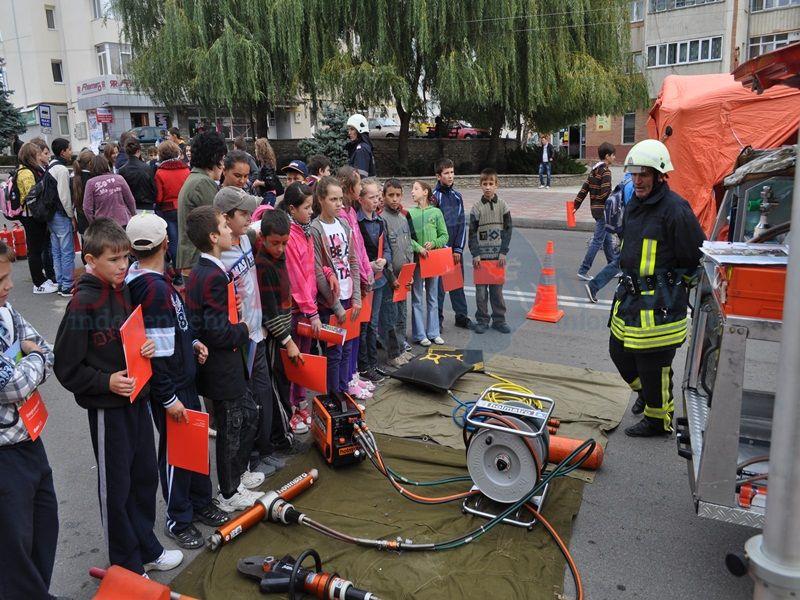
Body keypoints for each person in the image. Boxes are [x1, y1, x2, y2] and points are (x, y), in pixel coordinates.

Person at [54, 218, 183, 574]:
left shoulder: (123, 290)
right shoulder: (82, 304)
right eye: (114, 259)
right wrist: (105, 382)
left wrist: (144, 348)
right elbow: (66, 368)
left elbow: (127, 338)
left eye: (126, 257)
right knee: (117, 488)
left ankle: (147, 548)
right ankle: (126, 564)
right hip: (108, 410)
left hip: (137, 401)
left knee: (144, 477)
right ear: (90, 260)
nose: (123, 265)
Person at [124, 213, 229, 550]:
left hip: (182, 378)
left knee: (194, 446)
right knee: (177, 454)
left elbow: (173, 330)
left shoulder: (156, 280)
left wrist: (192, 341)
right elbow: (157, 353)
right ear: (165, 244)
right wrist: (168, 398)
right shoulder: (153, 288)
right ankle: (178, 517)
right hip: (172, 387)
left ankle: (200, 501)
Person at [608, 140, 705, 437]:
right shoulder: (635, 204)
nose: (637, 181)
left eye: (644, 175)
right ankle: (647, 395)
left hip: (660, 305)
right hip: (630, 300)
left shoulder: (676, 210)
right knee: (619, 353)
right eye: (634, 174)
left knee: (654, 367)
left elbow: (693, 257)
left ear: (660, 175)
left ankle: (658, 420)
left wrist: (672, 286)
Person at [184, 205, 260, 511]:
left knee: (248, 415)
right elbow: (217, 332)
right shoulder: (211, 275)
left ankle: (238, 475)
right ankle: (229, 492)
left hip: (224, 366)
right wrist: (243, 328)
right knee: (232, 426)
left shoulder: (207, 270)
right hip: (221, 367)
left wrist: (233, 309)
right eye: (224, 226)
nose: (231, 230)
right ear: (214, 237)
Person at [0, 240, 59, 599]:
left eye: (8, 276)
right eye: (1, 279)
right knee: (14, 547)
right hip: (5, 454)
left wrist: (31, 357)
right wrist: (33, 358)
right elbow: (11, 386)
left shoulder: (7, 312)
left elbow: (46, 348)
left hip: (29, 438)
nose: (9, 285)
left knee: (44, 527)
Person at [214, 186, 282, 479]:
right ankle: (250, 458)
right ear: (225, 218)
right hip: (241, 340)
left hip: (257, 331)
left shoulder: (246, 237)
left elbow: (269, 219)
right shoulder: (219, 253)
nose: (248, 218)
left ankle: (264, 450)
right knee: (248, 402)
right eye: (243, 213)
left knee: (263, 394)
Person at [278, 182, 330, 434]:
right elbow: (296, 278)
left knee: (305, 358)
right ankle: (290, 408)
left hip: (308, 307)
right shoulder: (289, 236)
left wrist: (327, 272)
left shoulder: (306, 231)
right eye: (307, 208)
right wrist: (312, 311)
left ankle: (300, 402)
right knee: (294, 359)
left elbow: (311, 266)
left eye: (311, 207)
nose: (311, 212)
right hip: (296, 309)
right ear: (292, 209)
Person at [310, 176, 361, 400]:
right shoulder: (315, 229)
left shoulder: (344, 224)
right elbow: (318, 272)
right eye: (333, 199)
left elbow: (353, 261)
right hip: (331, 302)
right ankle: (334, 396)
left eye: (340, 199)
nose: (339, 204)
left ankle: (343, 390)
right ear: (321, 199)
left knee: (348, 347)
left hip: (349, 295)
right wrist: (336, 305)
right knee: (334, 351)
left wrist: (357, 297)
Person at [254, 209, 301, 451]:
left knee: (284, 383)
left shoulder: (277, 258)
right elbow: (269, 312)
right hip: (275, 337)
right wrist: (287, 340)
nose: (280, 249)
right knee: (276, 386)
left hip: (284, 331)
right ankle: (281, 436)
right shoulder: (263, 265)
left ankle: (283, 430)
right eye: (275, 243)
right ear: (262, 238)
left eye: (284, 243)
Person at [337, 166, 374, 399]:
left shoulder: (351, 211)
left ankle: (353, 374)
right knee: (348, 335)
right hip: (350, 282)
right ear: (350, 187)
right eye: (359, 184)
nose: (361, 188)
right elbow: (350, 253)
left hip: (359, 278)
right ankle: (346, 380)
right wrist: (361, 274)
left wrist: (367, 270)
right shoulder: (343, 215)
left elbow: (360, 246)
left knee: (355, 332)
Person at [357, 177, 398, 380]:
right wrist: (369, 265)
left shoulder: (380, 221)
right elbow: (356, 253)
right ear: (361, 199)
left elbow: (387, 247)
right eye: (371, 197)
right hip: (365, 281)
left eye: (377, 197)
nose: (376, 201)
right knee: (364, 325)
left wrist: (385, 260)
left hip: (379, 279)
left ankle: (373, 363)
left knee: (373, 323)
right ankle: (364, 365)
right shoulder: (356, 222)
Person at [468, 168, 513, 334]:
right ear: (480, 185)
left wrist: (503, 252)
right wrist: (475, 254)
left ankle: (499, 320)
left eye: (491, 184)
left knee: (497, 291)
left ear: (496, 185)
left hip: (497, 258)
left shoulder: (503, 206)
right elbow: (472, 233)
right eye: (485, 184)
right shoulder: (476, 208)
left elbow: (508, 230)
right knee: (481, 292)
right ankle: (482, 320)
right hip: (481, 258)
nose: (488, 187)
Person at [176, 131, 227, 272]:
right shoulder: (202, 183)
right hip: (197, 259)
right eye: (222, 158)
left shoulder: (195, 178)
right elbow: (218, 221)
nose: (223, 165)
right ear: (214, 157)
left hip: (191, 259)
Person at [407, 180, 448, 347]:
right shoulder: (409, 213)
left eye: (416, 188)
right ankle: (419, 334)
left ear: (425, 192)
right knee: (417, 297)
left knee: (432, 296)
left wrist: (434, 243)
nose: (412, 192)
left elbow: (444, 236)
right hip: (418, 260)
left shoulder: (436, 212)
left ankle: (434, 332)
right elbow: (407, 238)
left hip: (433, 260)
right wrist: (419, 248)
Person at [432, 158, 471, 330]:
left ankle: (461, 316)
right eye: (446, 173)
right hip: (441, 250)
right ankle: (437, 320)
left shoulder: (457, 197)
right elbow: (432, 226)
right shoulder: (434, 197)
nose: (450, 176)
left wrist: (458, 249)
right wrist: (442, 249)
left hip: (455, 250)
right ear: (438, 176)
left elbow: (462, 224)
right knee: (439, 288)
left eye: (452, 172)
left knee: (456, 283)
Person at [584, 172, 635, 303]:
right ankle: (594, 285)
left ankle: (596, 286)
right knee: (622, 261)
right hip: (631, 228)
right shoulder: (633, 185)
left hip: (624, 225)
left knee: (623, 260)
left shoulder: (626, 180)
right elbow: (633, 209)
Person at [16, 142, 58, 294]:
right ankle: (38, 283)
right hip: (31, 216)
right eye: (38, 153)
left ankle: (42, 279)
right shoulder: (26, 173)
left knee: (37, 248)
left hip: (32, 215)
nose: (40, 156)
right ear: (31, 156)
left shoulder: (29, 170)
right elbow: (31, 196)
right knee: (34, 250)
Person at [380, 178, 414, 364]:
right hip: (390, 280)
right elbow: (385, 251)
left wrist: (410, 273)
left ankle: (401, 348)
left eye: (398, 195)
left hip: (404, 277)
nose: (394, 199)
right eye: (391, 195)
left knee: (402, 315)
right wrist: (391, 276)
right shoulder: (382, 219)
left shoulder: (403, 218)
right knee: (390, 317)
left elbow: (409, 247)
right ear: (384, 196)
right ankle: (393, 354)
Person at [574, 142, 616, 281]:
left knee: (607, 239)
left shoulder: (594, 171)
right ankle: (583, 270)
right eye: (613, 155)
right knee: (598, 241)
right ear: (607, 156)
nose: (614, 158)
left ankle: (613, 267)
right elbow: (605, 193)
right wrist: (614, 196)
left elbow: (584, 189)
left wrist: (576, 205)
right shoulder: (606, 172)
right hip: (603, 211)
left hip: (595, 210)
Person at [154, 140, 190, 284]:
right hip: (184, 207)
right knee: (186, 239)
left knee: (174, 242)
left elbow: (159, 197)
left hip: (168, 209)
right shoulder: (186, 170)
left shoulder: (160, 172)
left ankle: (178, 274)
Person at [48, 137, 76, 297]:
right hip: (61, 214)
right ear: (63, 151)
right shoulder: (62, 170)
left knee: (56, 250)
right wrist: (71, 216)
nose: (71, 152)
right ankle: (67, 285)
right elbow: (65, 197)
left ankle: (60, 283)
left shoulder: (51, 166)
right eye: (69, 149)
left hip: (50, 215)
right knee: (67, 251)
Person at [83, 155, 137, 228]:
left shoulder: (91, 183)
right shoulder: (119, 178)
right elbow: (130, 200)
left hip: (103, 224)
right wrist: (133, 215)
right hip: (123, 221)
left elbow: (87, 208)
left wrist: (93, 223)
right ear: (106, 164)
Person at [119, 137, 157, 213]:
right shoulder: (147, 168)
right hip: (147, 207)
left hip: (131, 208)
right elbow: (154, 189)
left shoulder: (122, 170)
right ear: (138, 151)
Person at [251, 138, 283, 206]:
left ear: (260, 150)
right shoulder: (265, 163)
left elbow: (270, 183)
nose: (255, 151)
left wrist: (258, 183)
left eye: (256, 149)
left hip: (271, 198)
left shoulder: (267, 165)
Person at [71, 148, 95, 234]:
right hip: (94, 220)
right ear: (90, 163)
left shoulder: (74, 178)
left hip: (81, 220)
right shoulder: (93, 179)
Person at [345, 113, 375, 177]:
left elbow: (360, 176)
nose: (349, 133)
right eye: (349, 129)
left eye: (352, 129)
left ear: (359, 131)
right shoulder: (363, 147)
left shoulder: (361, 149)